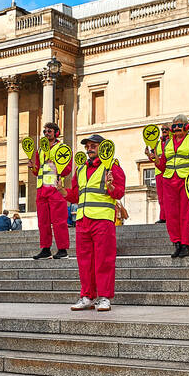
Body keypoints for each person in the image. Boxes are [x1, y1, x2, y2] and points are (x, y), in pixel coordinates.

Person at [66, 134, 125, 312]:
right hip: (82, 220)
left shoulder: (113, 167)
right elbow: (76, 196)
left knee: (104, 260)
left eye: (93, 145)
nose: (89, 148)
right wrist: (63, 191)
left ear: (102, 147)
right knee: (84, 261)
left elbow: (119, 192)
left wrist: (112, 187)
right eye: (88, 146)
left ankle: (105, 297)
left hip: (103, 219)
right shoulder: (81, 170)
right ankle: (87, 296)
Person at [156, 115, 189, 258]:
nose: (176, 128)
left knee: (186, 214)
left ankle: (185, 245)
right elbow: (162, 165)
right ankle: (176, 243)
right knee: (171, 215)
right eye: (174, 126)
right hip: (169, 181)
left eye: (179, 125)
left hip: (187, 180)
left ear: (186, 127)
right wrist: (154, 159)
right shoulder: (168, 143)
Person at [27, 122, 72, 259]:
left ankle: (62, 249)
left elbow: (67, 169)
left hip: (55, 188)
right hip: (41, 189)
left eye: (49, 131)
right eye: (45, 131)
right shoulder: (40, 150)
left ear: (56, 133)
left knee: (59, 221)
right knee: (43, 222)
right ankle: (45, 249)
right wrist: (33, 167)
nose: (46, 134)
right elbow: (37, 171)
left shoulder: (62, 148)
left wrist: (55, 165)